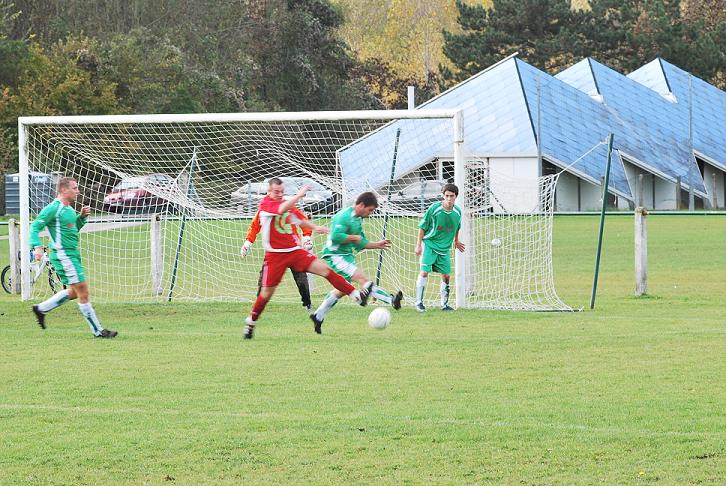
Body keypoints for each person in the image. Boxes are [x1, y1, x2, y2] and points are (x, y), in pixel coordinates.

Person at [243, 177, 371, 339]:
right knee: (266, 293)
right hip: (275, 256)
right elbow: (282, 209)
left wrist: (315, 228)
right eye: (276, 192)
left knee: (326, 270)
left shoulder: (286, 204)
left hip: (295, 251)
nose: (279, 194)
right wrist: (299, 195)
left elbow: (299, 219)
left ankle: (357, 296)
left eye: (282, 192)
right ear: (268, 191)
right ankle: (251, 322)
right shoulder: (265, 205)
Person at [29, 177, 117, 338]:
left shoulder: (69, 209)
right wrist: (37, 246)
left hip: (72, 254)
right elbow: (35, 226)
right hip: (63, 255)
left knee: (76, 292)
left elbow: (72, 229)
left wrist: (81, 217)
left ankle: (41, 309)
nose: (78, 191)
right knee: (83, 290)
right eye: (75, 188)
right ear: (64, 190)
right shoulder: (53, 208)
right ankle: (98, 331)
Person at [310, 192, 403, 334]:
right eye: (370, 210)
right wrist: (354, 237)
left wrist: (377, 244)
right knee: (363, 279)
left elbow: (361, 243)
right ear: (361, 205)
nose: (371, 213)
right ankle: (391, 300)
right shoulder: (344, 216)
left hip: (347, 256)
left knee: (342, 289)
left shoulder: (358, 220)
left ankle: (318, 315)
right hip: (335, 255)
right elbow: (335, 237)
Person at [241, 205, 313, 310]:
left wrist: (306, 237)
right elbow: (255, 226)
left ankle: (307, 304)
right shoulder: (264, 209)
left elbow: (302, 220)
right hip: (274, 251)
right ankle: (258, 305)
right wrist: (248, 243)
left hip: (293, 249)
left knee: (301, 277)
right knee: (264, 278)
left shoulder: (288, 206)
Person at [414, 183, 465, 312]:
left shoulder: (458, 212)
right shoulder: (434, 209)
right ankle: (419, 303)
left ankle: (444, 305)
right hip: (429, 244)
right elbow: (422, 227)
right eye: (446, 196)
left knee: (446, 276)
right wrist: (418, 245)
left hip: (444, 249)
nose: (449, 198)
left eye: (451, 196)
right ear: (443, 196)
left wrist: (456, 240)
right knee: (424, 272)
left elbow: (457, 227)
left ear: (456, 197)